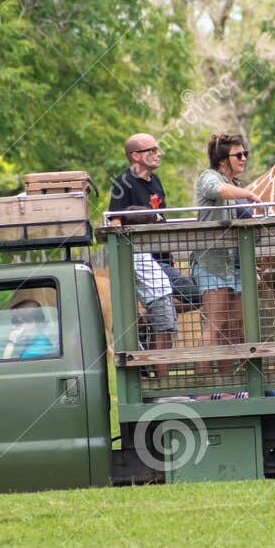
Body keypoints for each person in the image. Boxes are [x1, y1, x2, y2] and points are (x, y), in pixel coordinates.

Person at [106, 132, 178, 375]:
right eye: (152, 150)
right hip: (140, 259)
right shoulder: (122, 183)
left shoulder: (156, 181)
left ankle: (142, 322)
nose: (158, 153)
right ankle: (162, 380)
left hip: (162, 258)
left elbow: (162, 218)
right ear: (136, 156)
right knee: (164, 319)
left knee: (192, 295)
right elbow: (115, 222)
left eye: (158, 149)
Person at [194, 133, 261, 375]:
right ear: (223, 159)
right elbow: (219, 190)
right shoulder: (209, 178)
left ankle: (229, 383)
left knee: (234, 327)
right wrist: (249, 195)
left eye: (246, 154)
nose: (244, 158)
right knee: (214, 326)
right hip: (212, 263)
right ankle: (201, 388)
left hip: (237, 265)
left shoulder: (238, 186)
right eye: (239, 155)